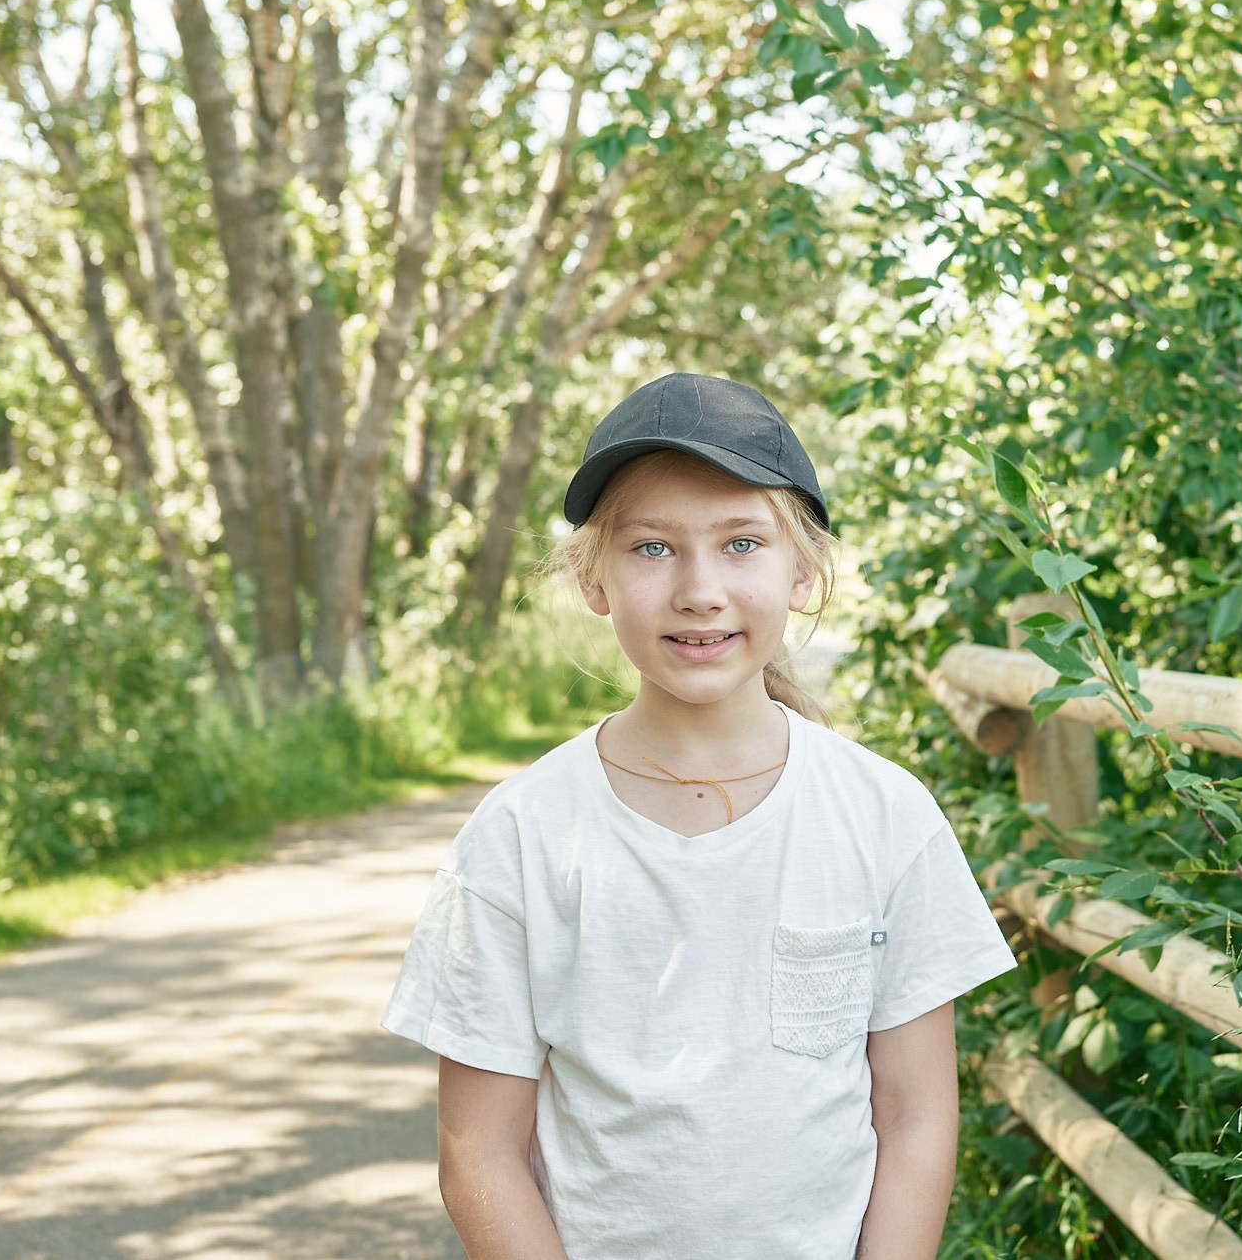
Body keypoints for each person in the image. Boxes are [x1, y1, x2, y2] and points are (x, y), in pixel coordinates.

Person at [381, 373, 1016, 1259]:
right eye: (651, 549)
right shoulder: (522, 834)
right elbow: (479, 1152)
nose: (699, 588)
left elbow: (915, 1118)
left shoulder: (883, 816)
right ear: (593, 577)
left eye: (742, 543)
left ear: (803, 572)